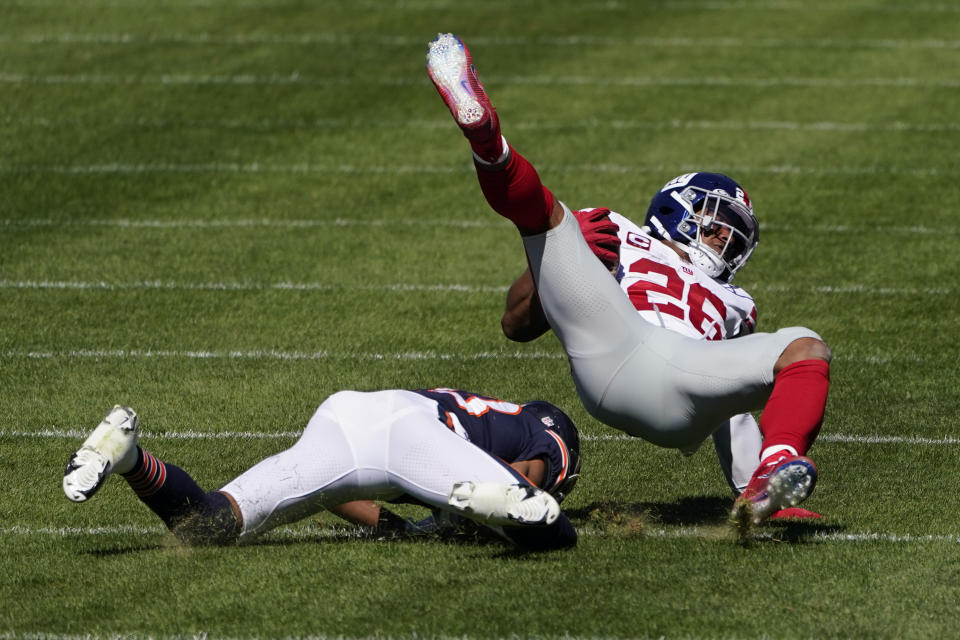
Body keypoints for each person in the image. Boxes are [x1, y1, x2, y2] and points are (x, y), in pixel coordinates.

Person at [425, 33, 832, 525]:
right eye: (719, 224)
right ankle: (487, 139)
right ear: (679, 210)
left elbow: (734, 411)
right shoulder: (617, 230)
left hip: (684, 371)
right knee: (550, 219)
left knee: (804, 346)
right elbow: (516, 323)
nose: (728, 241)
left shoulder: (735, 299)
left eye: (735, 235)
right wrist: (567, 255)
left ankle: (768, 478)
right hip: (612, 334)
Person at [62, 387, 582, 551]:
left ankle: (125, 454)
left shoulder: (481, 412)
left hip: (349, 417)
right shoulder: (546, 427)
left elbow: (337, 491)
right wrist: (518, 493)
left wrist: (399, 531)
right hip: (413, 436)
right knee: (553, 530)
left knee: (207, 524)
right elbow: (533, 469)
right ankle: (491, 502)